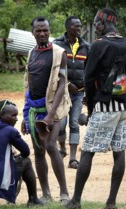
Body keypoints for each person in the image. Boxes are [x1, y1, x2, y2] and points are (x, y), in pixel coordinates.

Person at [66, 8, 126, 209]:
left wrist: (92, 105)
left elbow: (88, 79)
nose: (95, 29)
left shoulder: (99, 45)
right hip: (125, 105)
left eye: (97, 25)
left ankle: (76, 200)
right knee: (119, 151)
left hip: (105, 106)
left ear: (101, 25)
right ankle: (111, 203)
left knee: (87, 151)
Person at [21, 16, 71, 204]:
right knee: (38, 150)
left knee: (51, 146)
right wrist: (25, 116)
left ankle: (65, 193)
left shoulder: (59, 53)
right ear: (33, 32)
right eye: (38, 30)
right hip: (34, 109)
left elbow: (62, 84)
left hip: (53, 109)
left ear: (50, 31)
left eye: (45, 30)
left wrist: (50, 116)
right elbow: (29, 84)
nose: (42, 33)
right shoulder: (31, 53)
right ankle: (46, 194)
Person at [53, 16, 90, 169]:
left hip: (79, 92)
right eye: (76, 26)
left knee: (74, 123)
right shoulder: (57, 45)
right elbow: (53, 69)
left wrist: (88, 92)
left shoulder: (86, 46)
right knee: (61, 124)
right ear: (68, 28)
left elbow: (89, 70)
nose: (79, 29)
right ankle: (62, 149)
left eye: (80, 26)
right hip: (62, 92)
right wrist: (67, 84)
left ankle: (73, 158)